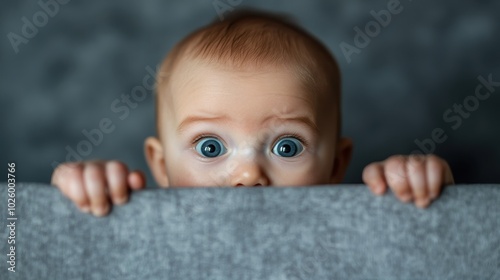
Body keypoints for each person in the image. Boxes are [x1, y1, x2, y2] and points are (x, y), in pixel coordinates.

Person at [51, 10, 454, 217]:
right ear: (160, 164)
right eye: (210, 147)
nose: (248, 176)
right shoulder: (146, 230)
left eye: (287, 145)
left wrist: (413, 195)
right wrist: (88, 195)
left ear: (336, 164)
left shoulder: (355, 230)